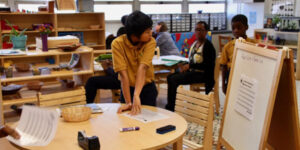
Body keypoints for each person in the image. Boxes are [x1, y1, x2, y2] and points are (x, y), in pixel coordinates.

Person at [112, 10, 158, 115]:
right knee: (127, 120)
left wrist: (136, 95)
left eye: (150, 29)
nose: (151, 33)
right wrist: (128, 102)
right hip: (128, 89)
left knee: (149, 122)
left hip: (147, 88)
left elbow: (143, 68)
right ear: (135, 34)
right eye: (147, 32)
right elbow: (123, 75)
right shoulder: (117, 44)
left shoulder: (150, 42)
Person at [165, 21, 216, 111]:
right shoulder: (195, 44)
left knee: (174, 79)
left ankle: (171, 107)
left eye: (201, 30)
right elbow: (191, 60)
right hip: (193, 72)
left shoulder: (208, 46)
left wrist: (190, 66)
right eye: (196, 30)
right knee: (170, 76)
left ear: (206, 31)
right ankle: (171, 104)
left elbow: (208, 65)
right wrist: (184, 65)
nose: (198, 32)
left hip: (203, 75)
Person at [220, 14, 256, 94]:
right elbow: (223, 66)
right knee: (232, 95)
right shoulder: (228, 46)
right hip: (231, 74)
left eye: (239, 27)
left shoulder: (253, 44)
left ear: (246, 27)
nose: (236, 30)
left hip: (248, 75)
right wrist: (223, 84)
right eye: (233, 28)